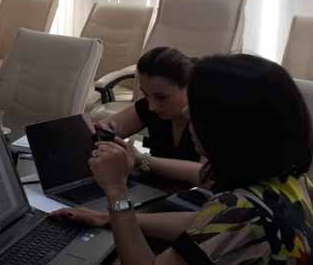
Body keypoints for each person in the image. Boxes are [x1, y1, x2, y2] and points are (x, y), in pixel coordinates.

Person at [54, 54, 313, 264]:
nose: (188, 112)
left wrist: (116, 192)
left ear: (230, 128)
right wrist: (112, 218)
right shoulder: (294, 183)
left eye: (198, 107)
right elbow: (203, 224)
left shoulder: (242, 211)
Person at [95, 47, 203, 185]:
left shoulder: (210, 117)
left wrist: (141, 159)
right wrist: (103, 133)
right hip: (156, 188)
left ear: (189, 87)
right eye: (146, 94)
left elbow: (206, 176)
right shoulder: (149, 105)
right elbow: (97, 132)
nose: (152, 106)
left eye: (161, 97)